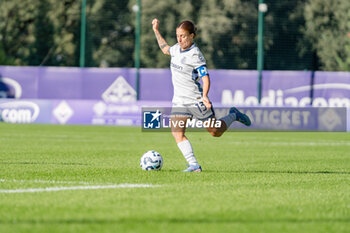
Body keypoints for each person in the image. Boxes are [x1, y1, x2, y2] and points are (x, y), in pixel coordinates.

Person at [152, 18, 251, 172]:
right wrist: (156, 31)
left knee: (215, 132)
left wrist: (204, 96)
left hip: (195, 99)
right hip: (179, 101)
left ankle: (234, 115)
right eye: (177, 35)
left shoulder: (195, 54)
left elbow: (205, 77)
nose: (179, 39)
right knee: (177, 133)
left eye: (183, 36)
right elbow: (165, 49)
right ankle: (194, 165)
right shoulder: (176, 49)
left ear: (192, 36)